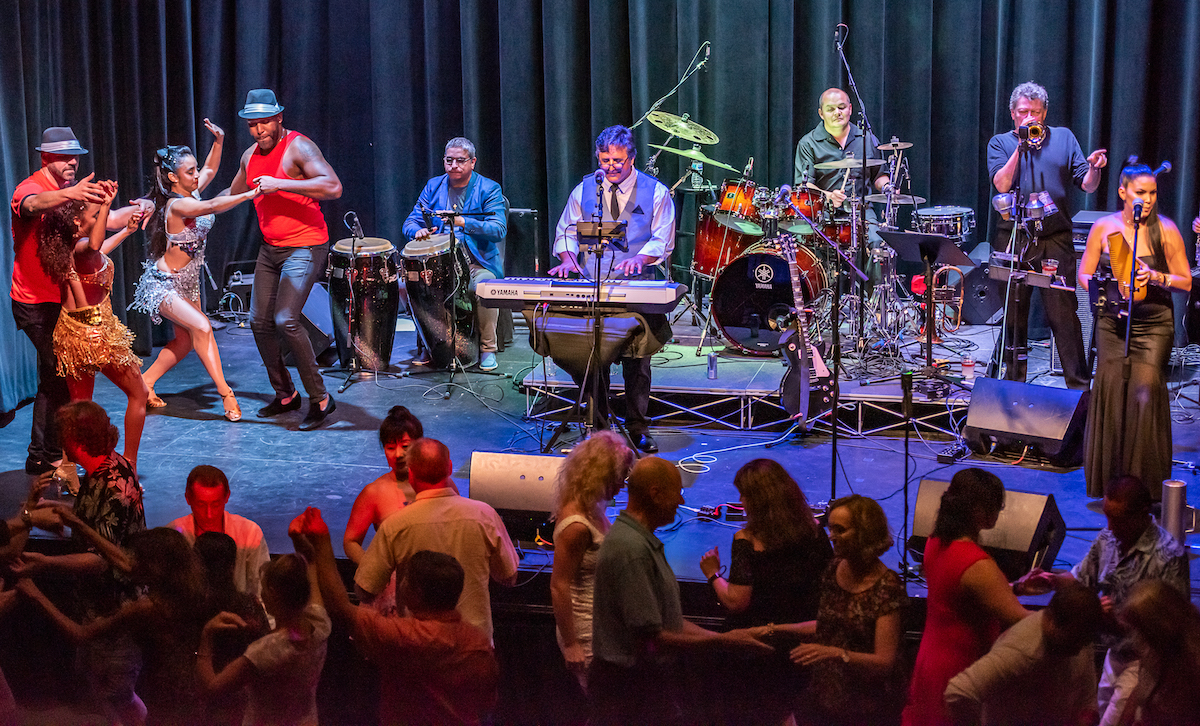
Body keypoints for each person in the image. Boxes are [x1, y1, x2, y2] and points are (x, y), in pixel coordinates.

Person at [10, 126, 153, 475]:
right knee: (60, 379)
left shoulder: (73, 199)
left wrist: (142, 207)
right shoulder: (32, 188)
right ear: (46, 157)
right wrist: (71, 193)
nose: (73, 162)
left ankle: (48, 456)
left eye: (75, 157)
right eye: (65, 157)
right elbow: (31, 205)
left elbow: (102, 225)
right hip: (36, 302)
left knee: (55, 379)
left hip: (61, 304)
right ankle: (55, 457)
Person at [588, 456, 772, 725]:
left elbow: (666, 622)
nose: (682, 501)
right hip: (628, 692)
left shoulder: (639, 541)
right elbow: (652, 638)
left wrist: (726, 638)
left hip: (637, 687)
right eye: (678, 492)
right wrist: (723, 642)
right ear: (656, 494)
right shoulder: (632, 550)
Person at [293, 509, 500, 726]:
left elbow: (340, 608)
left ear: (416, 593)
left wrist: (322, 543)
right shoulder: (479, 644)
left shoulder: (402, 636)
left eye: (404, 579)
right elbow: (487, 703)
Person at [1012, 475, 1187, 723]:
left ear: (1143, 513)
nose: (1110, 526)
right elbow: (1082, 578)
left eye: (1118, 518)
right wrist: (1051, 581)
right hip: (1113, 655)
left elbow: (1174, 630)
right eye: (1107, 516)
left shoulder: (1168, 555)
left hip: (1143, 664)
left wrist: (1115, 621)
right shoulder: (1108, 538)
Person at [548, 125, 675, 453]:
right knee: (591, 354)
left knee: (637, 358)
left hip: (638, 288)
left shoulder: (656, 192)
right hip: (593, 286)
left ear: (632, 158)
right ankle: (600, 425)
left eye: (618, 160)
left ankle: (637, 426)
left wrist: (641, 258)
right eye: (605, 160)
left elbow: (663, 239)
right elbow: (566, 232)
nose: (611, 166)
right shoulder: (584, 190)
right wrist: (568, 261)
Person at [226, 89, 343, 431]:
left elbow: (333, 187)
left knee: (285, 319)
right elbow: (232, 194)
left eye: (264, 122)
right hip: (270, 248)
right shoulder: (249, 156)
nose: (259, 130)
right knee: (259, 322)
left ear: (279, 118)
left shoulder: (298, 147)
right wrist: (193, 209)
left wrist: (282, 183)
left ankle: (321, 398)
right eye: (252, 124)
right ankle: (286, 394)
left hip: (305, 245)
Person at [1077, 159, 1191, 499]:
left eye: (1153, 192)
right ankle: (1110, 483)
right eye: (1141, 192)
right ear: (1123, 192)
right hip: (1113, 322)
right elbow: (1084, 273)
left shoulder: (1165, 230)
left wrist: (1155, 276)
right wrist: (1103, 289)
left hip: (1153, 323)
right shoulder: (1104, 227)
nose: (1149, 199)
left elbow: (1185, 281)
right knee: (1112, 388)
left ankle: (1144, 487)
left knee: (1144, 389)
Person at [131, 125, 260, 421]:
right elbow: (213, 205)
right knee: (202, 327)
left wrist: (219, 141)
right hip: (164, 285)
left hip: (187, 284)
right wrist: (248, 194)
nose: (197, 175)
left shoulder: (192, 190)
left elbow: (210, 170)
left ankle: (145, 382)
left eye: (195, 169)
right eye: (190, 172)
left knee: (185, 341)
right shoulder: (178, 205)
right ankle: (226, 393)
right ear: (173, 177)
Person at [18, 526, 210, 725]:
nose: (132, 562)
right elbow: (122, 562)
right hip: (192, 685)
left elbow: (80, 634)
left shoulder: (147, 608)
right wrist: (73, 523)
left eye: (138, 558)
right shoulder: (195, 594)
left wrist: (35, 594)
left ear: (153, 566)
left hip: (164, 693)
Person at [987, 81, 1108, 388]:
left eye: (1036, 112)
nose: (1030, 117)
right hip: (1014, 239)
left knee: (1064, 317)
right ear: (1013, 114)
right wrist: (1021, 146)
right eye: (1024, 112)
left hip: (1054, 240)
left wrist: (1094, 169)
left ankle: (1079, 390)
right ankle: (1013, 387)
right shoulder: (1000, 143)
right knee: (1014, 318)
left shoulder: (1063, 137)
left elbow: (1087, 184)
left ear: (1045, 113)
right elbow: (1001, 184)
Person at [697, 459, 834, 724]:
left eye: (744, 495)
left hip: (757, 646)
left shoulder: (747, 540)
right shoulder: (815, 532)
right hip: (801, 642)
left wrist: (713, 574)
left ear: (758, 500)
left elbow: (736, 601)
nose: (740, 501)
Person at [354, 438, 519, 642]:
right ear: (449, 467)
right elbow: (509, 577)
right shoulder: (485, 516)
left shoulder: (395, 526)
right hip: (473, 643)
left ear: (411, 474)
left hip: (417, 644)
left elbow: (365, 590)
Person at [901, 468, 1030, 726]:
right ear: (979, 510)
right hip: (961, 665)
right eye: (997, 506)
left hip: (931, 660)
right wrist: (1072, 611)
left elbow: (958, 593)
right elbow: (1022, 620)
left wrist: (1013, 588)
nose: (998, 512)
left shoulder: (935, 541)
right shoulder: (976, 563)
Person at [766, 494, 907, 726]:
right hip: (826, 694)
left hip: (865, 704)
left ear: (864, 533)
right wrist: (772, 629)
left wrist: (834, 653)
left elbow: (884, 662)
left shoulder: (887, 586)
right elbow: (828, 625)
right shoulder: (834, 568)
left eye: (840, 530)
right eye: (831, 528)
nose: (831, 536)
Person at [38, 181, 150, 466]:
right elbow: (95, 246)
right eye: (96, 215)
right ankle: (130, 465)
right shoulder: (82, 248)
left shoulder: (71, 250)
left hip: (72, 333)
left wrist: (126, 231)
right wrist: (108, 203)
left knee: (80, 407)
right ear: (78, 221)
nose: (103, 218)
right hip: (96, 332)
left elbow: (99, 253)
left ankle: (69, 467)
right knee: (139, 393)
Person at [403, 137, 508, 371]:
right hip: (440, 265)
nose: (454, 166)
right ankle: (429, 344)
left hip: (476, 263)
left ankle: (487, 348)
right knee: (408, 286)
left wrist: (463, 222)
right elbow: (411, 221)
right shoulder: (433, 186)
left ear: (472, 162)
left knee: (485, 287)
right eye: (449, 160)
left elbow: (498, 229)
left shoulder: (488, 188)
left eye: (460, 161)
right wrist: (417, 231)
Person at [196, 553, 331, 726]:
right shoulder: (320, 624)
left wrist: (207, 634)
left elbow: (212, 688)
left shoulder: (263, 652)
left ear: (273, 593)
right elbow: (311, 563)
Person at [944, 582, 1103, 726]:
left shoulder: (1078, 632)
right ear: (1050, 619)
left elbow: (1086, 698)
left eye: (1084, 641)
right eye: (1072, 641)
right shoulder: (1022, 651)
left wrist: (1087, 717)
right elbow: (959, 691)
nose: (1078, 650)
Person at [549, 430, 634, 688]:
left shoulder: (593, 506)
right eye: (618, 478)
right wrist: (572, 644)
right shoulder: (576, 525)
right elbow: (559, 585)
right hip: (586, 629)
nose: (622, 485)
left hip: (603, 623)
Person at [794, 87, 895, 278]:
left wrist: (887, 187)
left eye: (841, 107)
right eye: (830, 109)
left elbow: (879, 176)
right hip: (824, 213)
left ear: (850, 108)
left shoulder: (867, 139)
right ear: (821, 113)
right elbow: (804, 185)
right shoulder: (808, 143)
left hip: (863, 211)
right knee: (812, 246)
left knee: (878, 244)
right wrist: (828, 196)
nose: (837, 113)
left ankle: (873, 296)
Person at [168, 465, 271, 601]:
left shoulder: (249, 533)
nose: (209, 514)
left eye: (216, 505)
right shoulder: (174, 535)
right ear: (188, 498)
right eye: (201, 505)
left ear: (227, 497)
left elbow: (262, 591)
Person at [343, 404, 425, 563]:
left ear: (420, 444)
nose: (398, 454)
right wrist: (374, 571)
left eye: (405, 446)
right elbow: (350, 542)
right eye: (391, 447)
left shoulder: (440, 482)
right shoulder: (374, 492)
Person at [1114, 579, 1200, 726]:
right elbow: (1142, 688)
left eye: (1140, 631)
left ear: (1159, 627)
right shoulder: (1154, 651)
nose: (1135, 638)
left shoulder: (1193, 668)